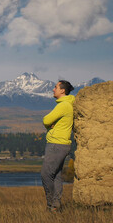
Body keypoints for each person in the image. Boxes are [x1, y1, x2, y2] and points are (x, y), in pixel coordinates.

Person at [41, 80, 75, 212]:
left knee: (46, 174)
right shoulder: (66, 104)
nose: (53, 90)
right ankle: (56, 206)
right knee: (55, 176)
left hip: (56, 144)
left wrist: (49, 124)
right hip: (62, 144)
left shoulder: (63, 106)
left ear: (62, 90)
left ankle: (51, 204)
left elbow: (46, 120)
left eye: (55, 87)